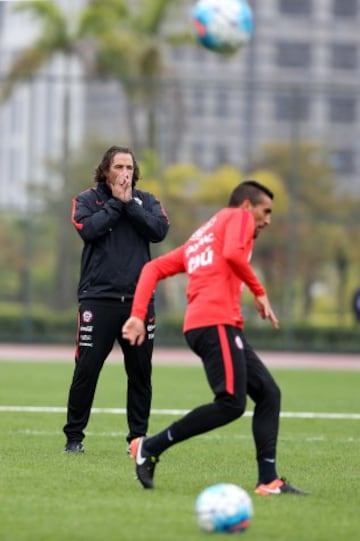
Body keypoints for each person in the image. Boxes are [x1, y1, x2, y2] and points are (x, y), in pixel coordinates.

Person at [122, 180, 309, 495]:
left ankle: (268, 480)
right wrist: (260, 293)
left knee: (268, 393)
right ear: (247, 207)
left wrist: (138, 315)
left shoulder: (201, 237)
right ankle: (149, 447)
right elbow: (234, 255)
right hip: (215, 322)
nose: (267, 220)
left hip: (209, 325)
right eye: (266, 211)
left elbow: (152, 268)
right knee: (231, 404)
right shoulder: (236, 217)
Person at [63, 145, 169, 453]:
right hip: (98, 300)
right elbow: (88, 229)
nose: (125, 173)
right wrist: (115, 205)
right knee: (87, 369)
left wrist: (130, 205)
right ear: (106, 171)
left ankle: (137, 440)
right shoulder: (87, 200)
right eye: (119, 167)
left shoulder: (146, 201)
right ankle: (74, 438)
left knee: (140, 373)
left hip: (139, 302)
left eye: (129, 168)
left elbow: (159, 230)